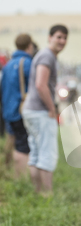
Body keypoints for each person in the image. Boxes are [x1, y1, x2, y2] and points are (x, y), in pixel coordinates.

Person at [22, 25, 68, 194]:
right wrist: (52, 109)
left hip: (31, 110)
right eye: (58, 37)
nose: (62, 41)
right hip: (40, 111)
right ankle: (47, 195)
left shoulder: (45, 55)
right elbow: (41, 85)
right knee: (47, 155)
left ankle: (37, 193)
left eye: (64, 38)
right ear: (50, 37)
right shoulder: (47, 56)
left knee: (35, 155)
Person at [1, 34, 34, 178]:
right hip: (20, 110)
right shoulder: (27, 63)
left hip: (8, 110)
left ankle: (5, 170)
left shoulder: (8, 65)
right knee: (23, 146)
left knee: (11, 142)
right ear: (29, 46)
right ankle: (19, 177)